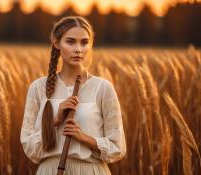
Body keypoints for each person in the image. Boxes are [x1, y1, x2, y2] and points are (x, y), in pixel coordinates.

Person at [20, 16, 126, 175]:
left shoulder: (103, 88)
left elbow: (117, 148)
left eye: (84, 42)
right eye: (70, 42)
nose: (78, 49)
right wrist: (54, 121)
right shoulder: (38, 88)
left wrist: (84, 137)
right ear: (56, 43)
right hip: (50, 171)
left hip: (90, 170)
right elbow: (29, 148)